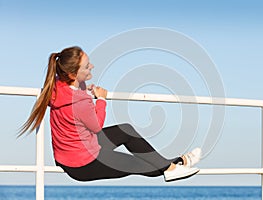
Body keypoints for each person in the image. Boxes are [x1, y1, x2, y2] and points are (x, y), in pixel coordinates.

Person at [20, 46, 202, 182]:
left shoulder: (58, 85)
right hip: (82, 165)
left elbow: (76, 97)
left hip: (74, 152)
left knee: (126, 131)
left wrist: (84, 89)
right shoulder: (79, 103)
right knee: (139, 163)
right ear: (73, 74)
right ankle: (174, 167)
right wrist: (101, 99)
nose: (91, 66)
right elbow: (96, 126)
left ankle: (174, 165)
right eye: (86, 66)